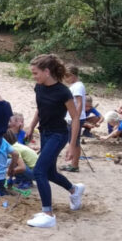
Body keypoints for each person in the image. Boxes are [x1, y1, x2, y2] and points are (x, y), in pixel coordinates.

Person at [23, 54, 86, 228]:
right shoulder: (39, 87)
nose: (34, 76)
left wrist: (72, 146)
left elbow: (74, 118)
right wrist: (31, 126)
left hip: (59, 135)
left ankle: (48, 214)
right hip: (44, 133)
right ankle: (74, 190)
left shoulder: (63, 91)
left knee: (39, 171)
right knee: (49, 173)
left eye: (36, 73)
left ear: (47, 71)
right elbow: (39, 109)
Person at [59, 66, 87, 172]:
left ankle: (74, 165)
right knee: (73, 140)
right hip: (74, 117)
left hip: (76, 118)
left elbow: (79, 103)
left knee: (74, 141)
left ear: (73, 75)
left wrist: (76, 117)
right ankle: (74, 164)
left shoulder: (78, 86)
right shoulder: (75, 86)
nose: (65, 79)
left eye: (67, 76)